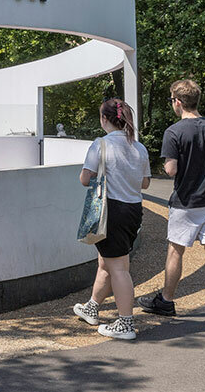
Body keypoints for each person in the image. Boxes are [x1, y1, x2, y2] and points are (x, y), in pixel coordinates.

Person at [138, 79, 205, 328]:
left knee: (175, 251)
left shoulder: (174, 132)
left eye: (172, 100)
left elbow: (170, 170)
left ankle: (167, 301)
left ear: (178, 102)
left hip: (185, 203)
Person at [73, 98, 150, 340]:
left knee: (118, 268)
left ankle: (126, 323)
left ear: (104, 119)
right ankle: (92, 307)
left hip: (111, 211)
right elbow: (145, 183)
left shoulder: (100, 144)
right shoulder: (139, 148)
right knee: (107, 262)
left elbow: (85, 179)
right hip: (133, 210)